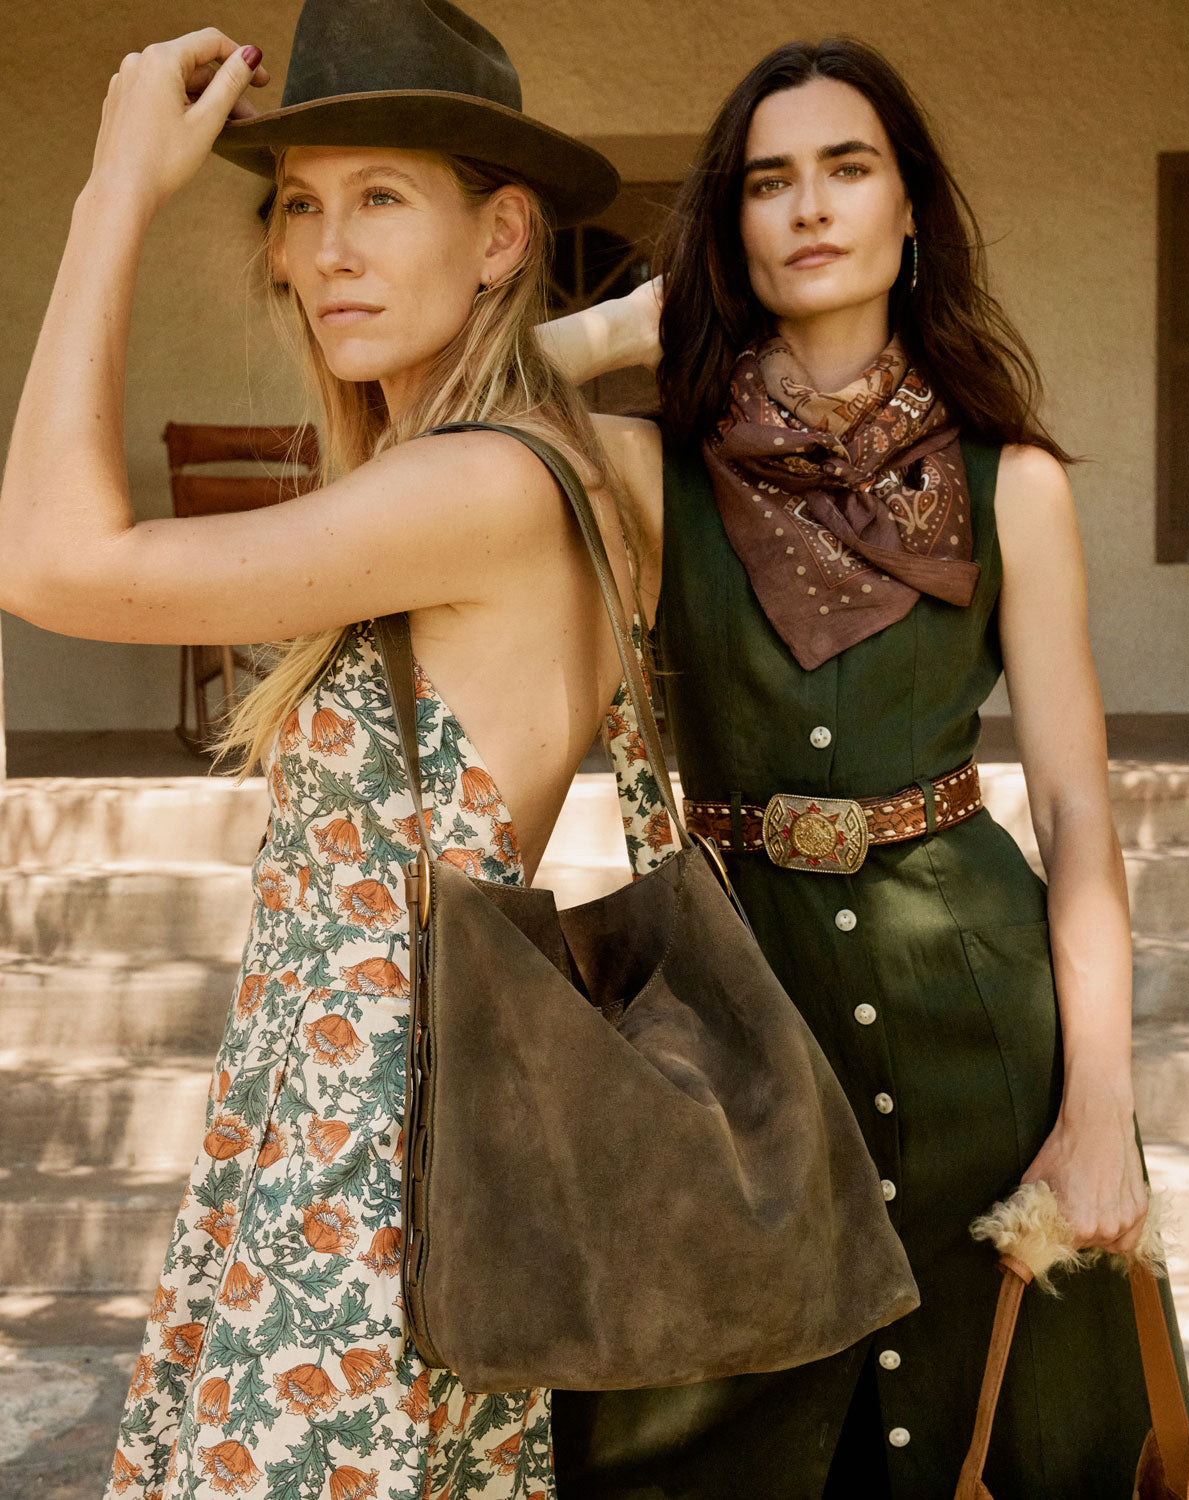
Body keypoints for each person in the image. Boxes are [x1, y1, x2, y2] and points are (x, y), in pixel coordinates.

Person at [0, 2, 671, 1496]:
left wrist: (114, 195)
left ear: (501, 235)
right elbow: (499, 385)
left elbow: (46, 558)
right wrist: (616, 327)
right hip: (368, 1127)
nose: (325, 252)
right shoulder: (575, 458)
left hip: (358, 1161)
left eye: (381, 199)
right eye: (299, 206)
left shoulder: (469, 492)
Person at [541, 36, 1189, 1500]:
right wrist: (612, 330)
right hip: (726, 1013)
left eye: (849, 168)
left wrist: (1099, 1112)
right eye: (767, 183)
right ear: (730, 231)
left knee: (1018, 1434)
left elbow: (1082, 813)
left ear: (911, 215)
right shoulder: (651, 469)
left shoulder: (1011, 480)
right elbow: (458, 415)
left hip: (987, 1022)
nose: (809, 207)